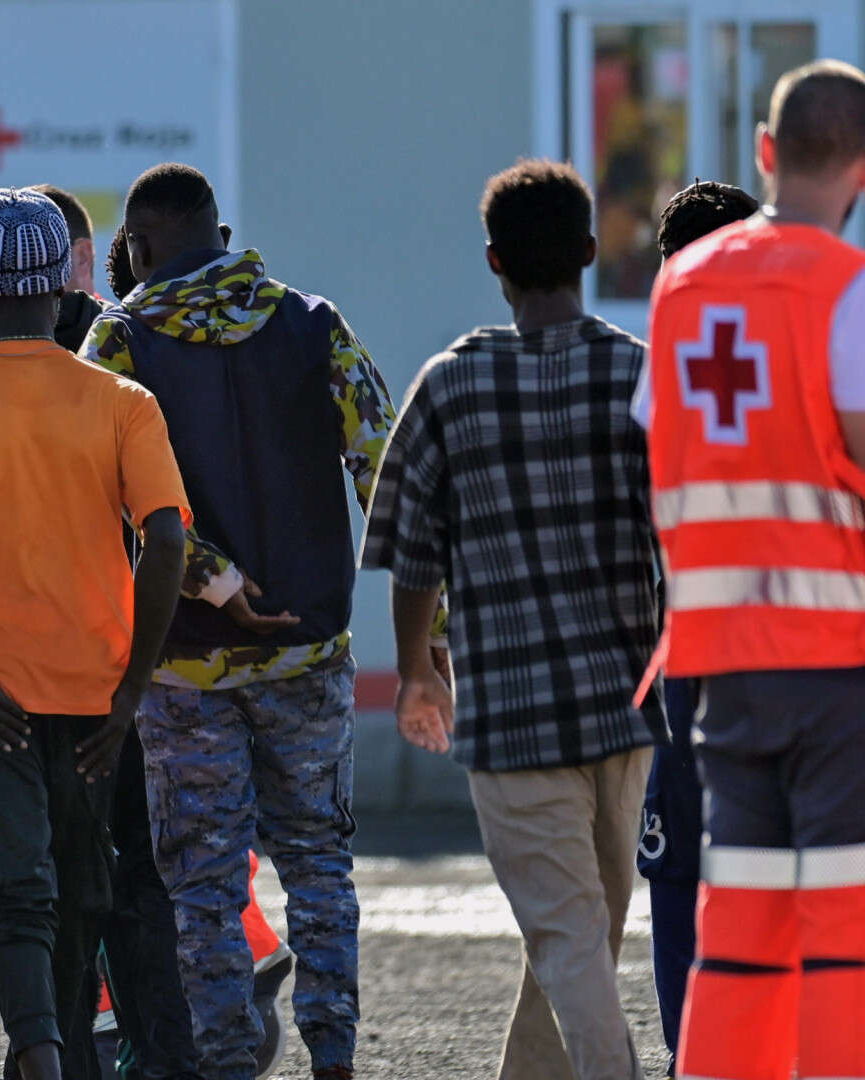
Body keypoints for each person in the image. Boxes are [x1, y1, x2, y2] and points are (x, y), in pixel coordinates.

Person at [0, 184, 285, 1080]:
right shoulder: (120, 401)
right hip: (102, 700)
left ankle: (43, 1050)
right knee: (104, 889)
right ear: (64, 281)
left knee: (17, 893)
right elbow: (168, 537)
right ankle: (151, 1059)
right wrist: (132, 686)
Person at [83, 163, 398, 1080]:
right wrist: (432, 625)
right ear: (221, 236)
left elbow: (116, 495)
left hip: (185, 670)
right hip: (310, 649)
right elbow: (384, 467)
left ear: (138, 250)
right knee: (319, 867)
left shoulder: (120, 341)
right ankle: (333, 1059)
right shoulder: (314, 324)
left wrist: (216, 583)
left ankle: (224, 1064)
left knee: (206, 891)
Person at [364, 159, 661, 1079]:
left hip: (514, 721)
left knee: (574, 935)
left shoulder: (450, 386)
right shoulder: (639, 377)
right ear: (587, 251)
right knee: (584, 929)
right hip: (626, 706)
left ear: (493, 261)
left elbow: (411, 554)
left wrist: (417, 670)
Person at [641, 61, 865, 1080]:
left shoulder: (683, 286)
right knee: (841, 917)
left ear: (767, 153)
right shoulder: (845, 293)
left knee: (742, 916)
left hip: (717, 665)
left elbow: (660, 441)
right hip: (832, 659)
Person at [634, 179, 760, 1075]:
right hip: (812, 667)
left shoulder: (648, 381)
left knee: (678, 874)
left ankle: (699, 1056)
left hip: (686, 672)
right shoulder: (830, 355)